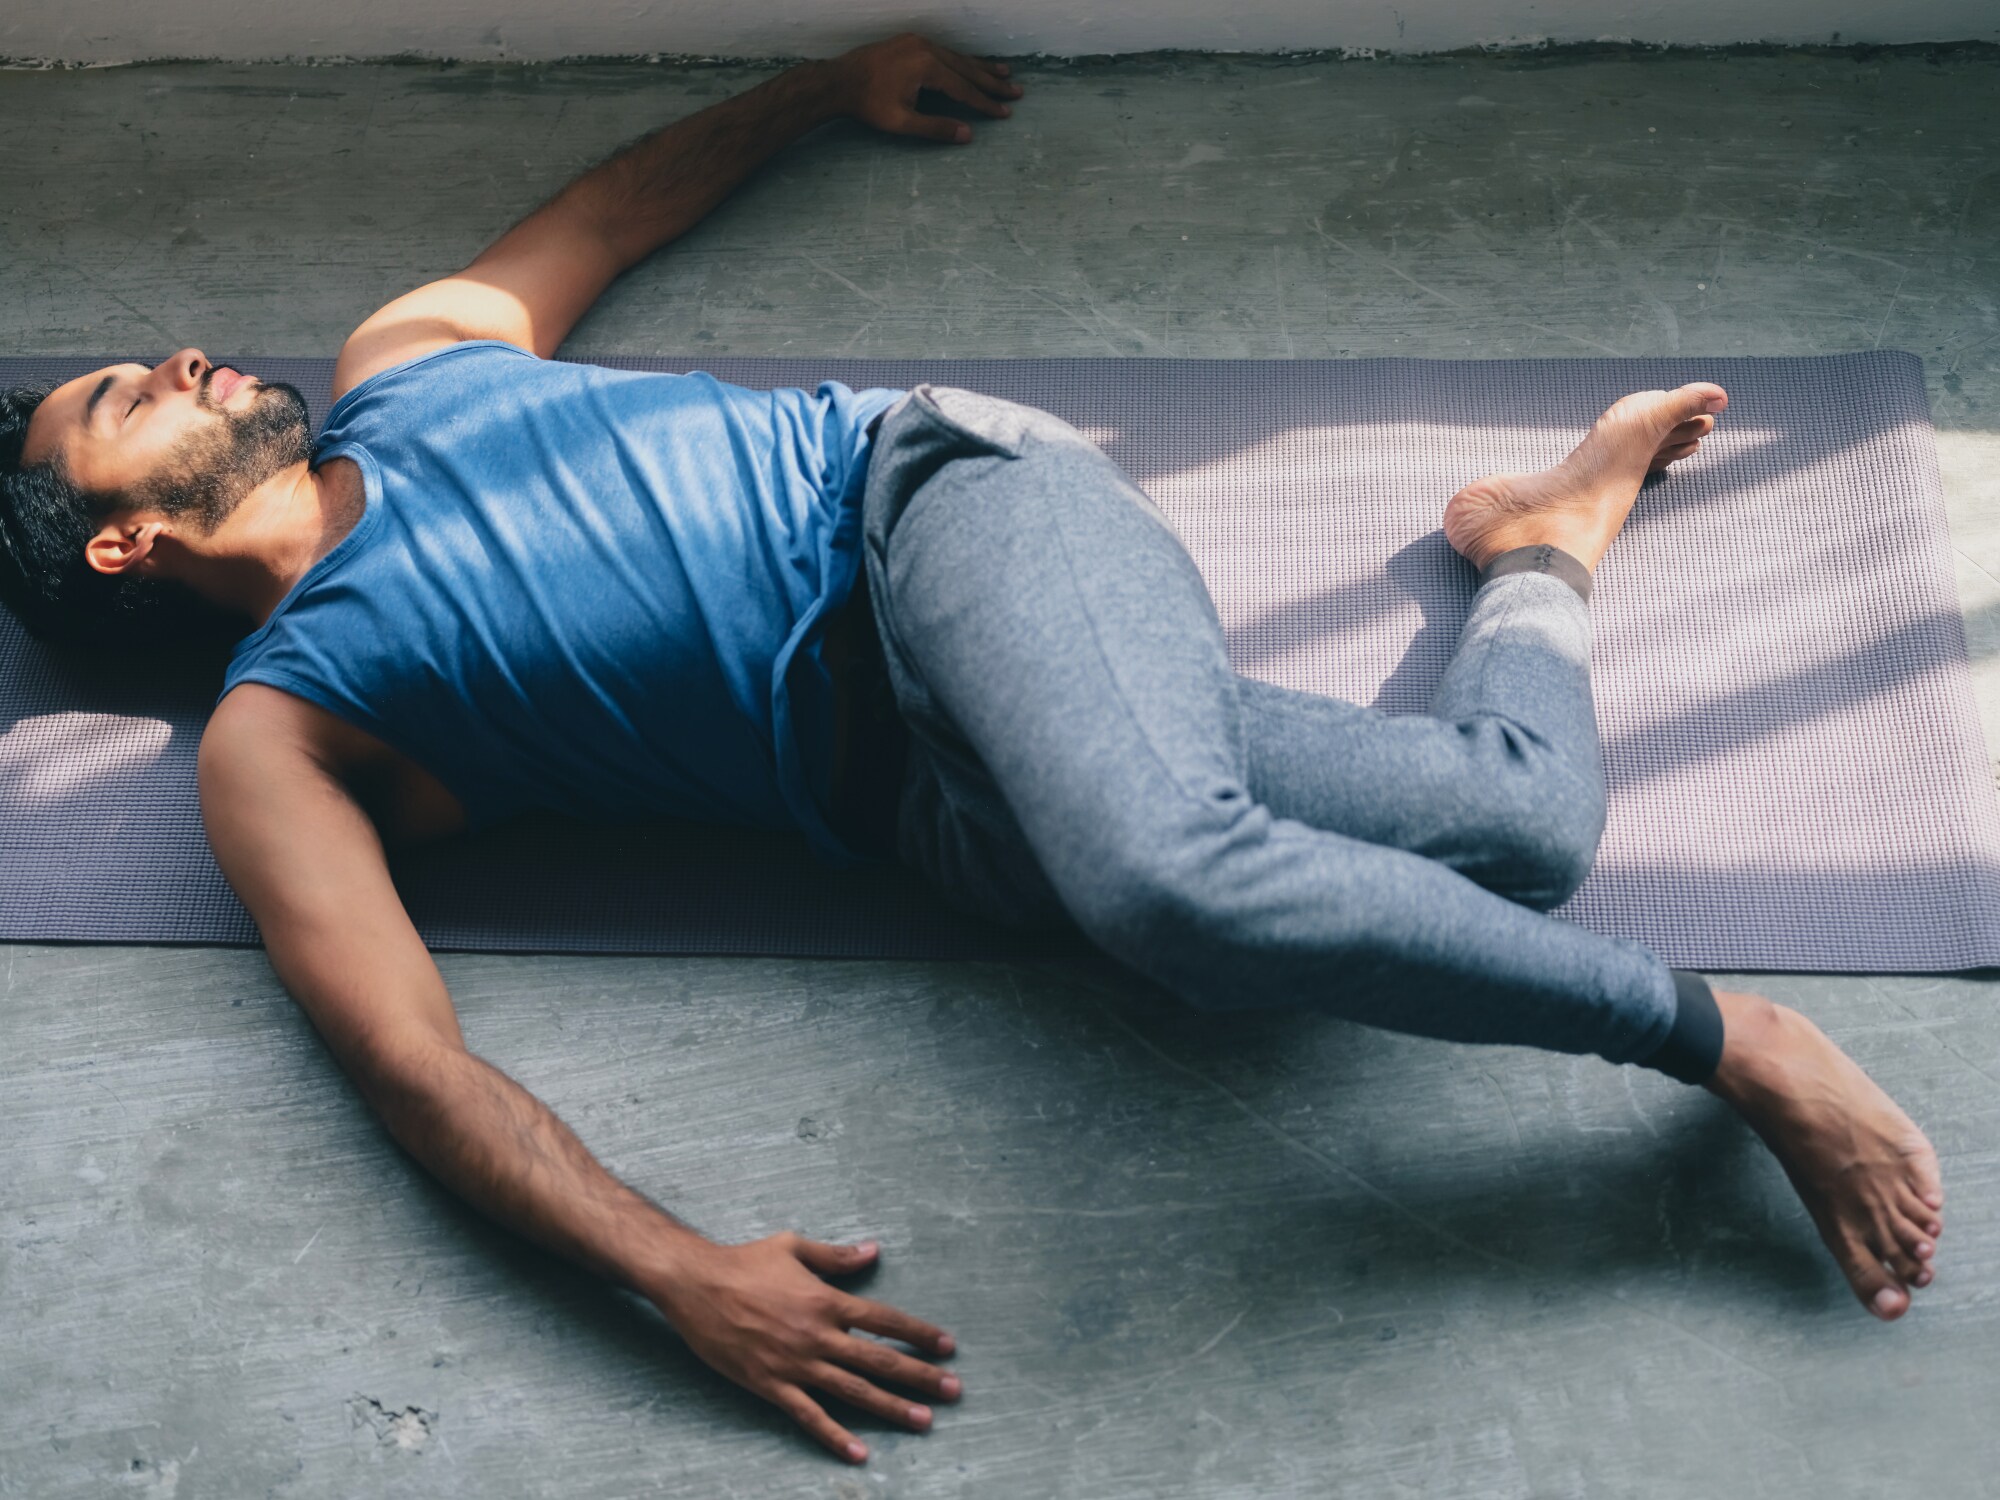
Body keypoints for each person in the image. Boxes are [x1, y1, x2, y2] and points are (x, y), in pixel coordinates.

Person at [0, 32, 1944, 1465]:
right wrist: (675, 1271)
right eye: (118, 395)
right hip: (916, 801)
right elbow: (412, 1065)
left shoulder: (408, 361)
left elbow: (600, 216)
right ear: (119, 542)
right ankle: (1532, 553)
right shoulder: (280, 739)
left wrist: (828, 85)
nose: (179, 356)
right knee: (1513, 831)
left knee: (1169, 884)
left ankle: (1734, 1040)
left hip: (932, 511)